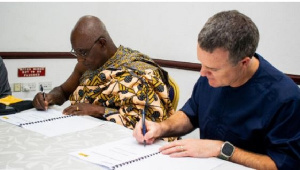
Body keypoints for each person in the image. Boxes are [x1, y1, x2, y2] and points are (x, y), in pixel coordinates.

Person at [133, 10, 300, 169]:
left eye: (213, 69)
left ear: (244, 63)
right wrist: (161, 128)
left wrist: (222, 149)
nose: (203, 73)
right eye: (201, 63)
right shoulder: (210, 76)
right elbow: (191, 113)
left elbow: (284, 164)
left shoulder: (285, 98)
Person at [32, 15, 177, 141]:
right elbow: (63, 91)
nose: (79, 60)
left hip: (124, 142)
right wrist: (48, 97)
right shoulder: (85, 66)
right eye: (75, 53)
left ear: (102, 43)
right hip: (83, 135)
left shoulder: (138, 72)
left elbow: (146, 122)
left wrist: (98, 110)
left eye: (83, 52)